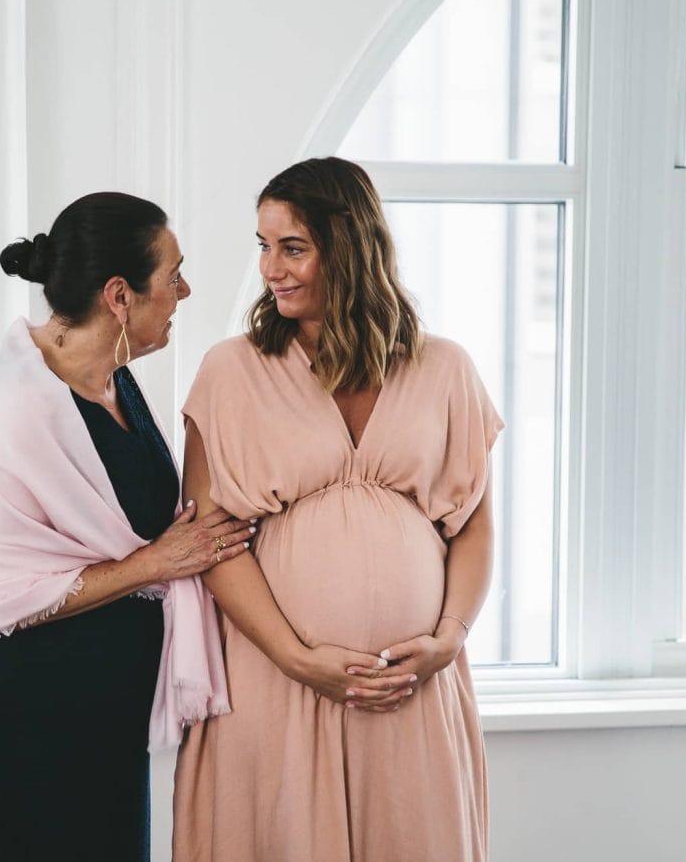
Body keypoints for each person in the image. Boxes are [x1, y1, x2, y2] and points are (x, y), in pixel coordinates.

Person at [172, 158, 502, 862]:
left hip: (409, 688)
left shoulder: (444, 369)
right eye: (263, 247)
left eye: (293, 248)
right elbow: (210, 542)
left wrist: (448, 638)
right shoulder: (232, 371)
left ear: (349, 248)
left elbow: (472, 523)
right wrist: (298, 659)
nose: (271, 269)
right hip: (277, 681)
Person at [0, 192, 251, 862]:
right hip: (3, 701)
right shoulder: (14, 411)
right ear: (119, 295)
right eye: (173, 275)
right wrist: (156, 563)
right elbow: (0, 591)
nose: (185, 290)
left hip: (90, 706)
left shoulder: (114, 382)